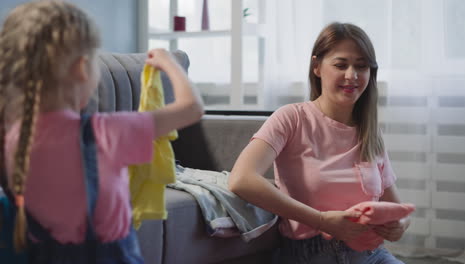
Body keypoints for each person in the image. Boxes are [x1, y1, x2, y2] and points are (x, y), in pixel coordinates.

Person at [0, 1, 203, 263]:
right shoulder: (106, 133)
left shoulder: (14, 137)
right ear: (81, 68)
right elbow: (192, 108)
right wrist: (170, 62)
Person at [228, 22, 409, 263]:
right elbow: (241, 179)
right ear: (317, 67)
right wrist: (322, 221)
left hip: (371, 255)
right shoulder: (291, 118)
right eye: (340, 65)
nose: (352, 75)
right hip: (308, 255)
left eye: (362, 66)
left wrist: (400, 225)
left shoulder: (371, 133)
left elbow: (396, 208)